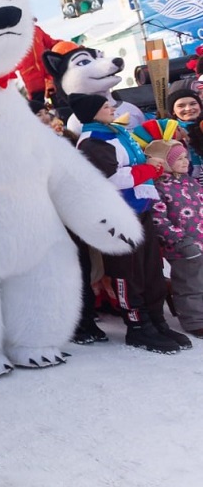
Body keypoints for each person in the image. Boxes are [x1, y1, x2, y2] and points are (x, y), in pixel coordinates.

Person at [71, 93, 192, 354]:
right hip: (118, 215)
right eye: (105, 107)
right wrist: (150, 169)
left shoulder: (114, 132)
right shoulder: (92, 141)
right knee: (128, 271)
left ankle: (156, 321)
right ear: (92, 114)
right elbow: (111, 178)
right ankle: (138, 326)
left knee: (151, 268)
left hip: (139, 207)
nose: (112, 108)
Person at [144, 140, 203, 338]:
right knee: (189, 284)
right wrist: (180, 240)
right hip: (182, 246)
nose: (185, 162)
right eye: (178, 159)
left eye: (186, 157)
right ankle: (194, 321)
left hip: (200, 239)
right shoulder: (160, 188)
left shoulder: (190, 182)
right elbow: (159, 220)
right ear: (166, 162)